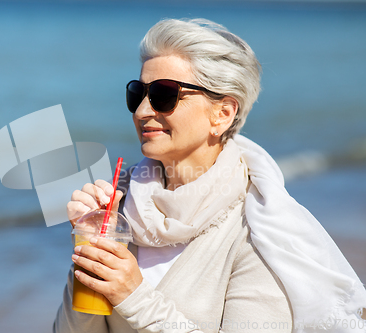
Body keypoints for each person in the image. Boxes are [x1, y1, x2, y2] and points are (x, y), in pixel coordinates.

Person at [54, 18, 366, 333]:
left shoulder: (261, 232)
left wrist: (133, 297)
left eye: (164, 94)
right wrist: (88, 254)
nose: (141, 111)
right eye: (138, 93)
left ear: (223, 113)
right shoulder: (121, 206)